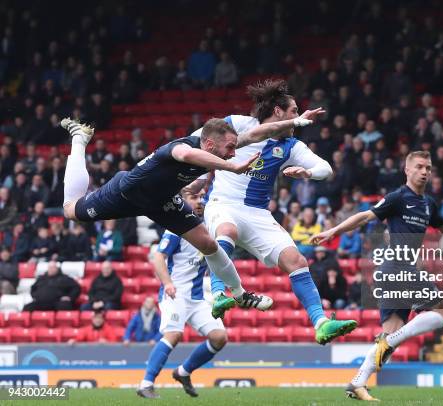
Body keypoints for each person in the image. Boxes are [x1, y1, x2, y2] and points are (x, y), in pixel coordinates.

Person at [59, 114, 309, 317]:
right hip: (126, 195)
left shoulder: (215, 148)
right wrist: (232, 167)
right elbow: (187, 156)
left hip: (163, 201)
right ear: (210, 144)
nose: (234, 153)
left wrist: (293, 122)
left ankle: (241, 294)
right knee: (71, 211)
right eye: (230, 148)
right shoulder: (183, 147)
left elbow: (256, 134)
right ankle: (80, 139)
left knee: (209, 244)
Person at [311, 150, 443, 401]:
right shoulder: (398, 197)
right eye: (420, 167)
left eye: (429, 168)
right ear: (407, 170)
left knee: (389, 337)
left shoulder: (428, 204)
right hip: (397, 267)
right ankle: (384, 350)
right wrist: (333, 231)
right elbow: (365, 216)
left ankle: (357, 383)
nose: (425, 172)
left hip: (397, 271)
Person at [187, 80, 357, 344]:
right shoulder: (238, 124)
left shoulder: (291, 146)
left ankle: (321, 323)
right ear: (278, 112)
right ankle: (219, 293)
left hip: (257, 214)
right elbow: (199, 138)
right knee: (226, 231)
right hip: (223, 203)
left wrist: (308, 172)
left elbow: (326, 169)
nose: (298, 117)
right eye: (293, 111)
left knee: (297, 261)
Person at [137, 189, 226, 399]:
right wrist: (167, 283)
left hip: (196, 298)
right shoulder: (176, 229)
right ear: (183, 202)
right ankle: (145, 384)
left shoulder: (208, 230)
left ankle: (183, 373)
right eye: (194, 197)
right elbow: (158, 258)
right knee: (174, 335)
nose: (200, 201)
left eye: (202, 197)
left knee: (219, 338)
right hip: (175, 294)